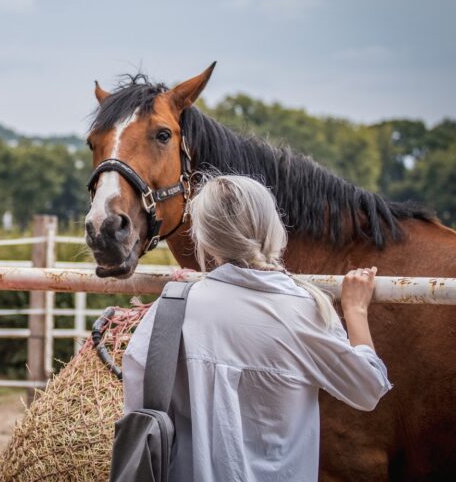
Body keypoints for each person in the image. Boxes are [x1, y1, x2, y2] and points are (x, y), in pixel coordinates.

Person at [122, 175, 392, 482]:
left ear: (205, 237)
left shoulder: (172, 307)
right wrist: (356, 310)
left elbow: (138, 405)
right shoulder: (303, 311)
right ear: (272, 227)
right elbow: (368, 388)